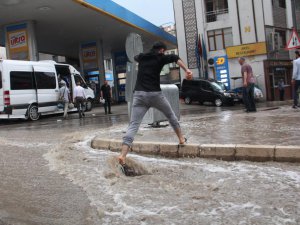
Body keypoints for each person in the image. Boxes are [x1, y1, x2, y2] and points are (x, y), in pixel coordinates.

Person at [118, 41, 193, 167]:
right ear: (162, 50)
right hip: (155, 95)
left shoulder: (142, 57)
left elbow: (135, 57)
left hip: (139, 95)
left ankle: (122, 155)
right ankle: (181, 139)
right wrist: (187, 70)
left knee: (133, 125)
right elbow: (175, 58)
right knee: (170, 115)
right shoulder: (161, 58)